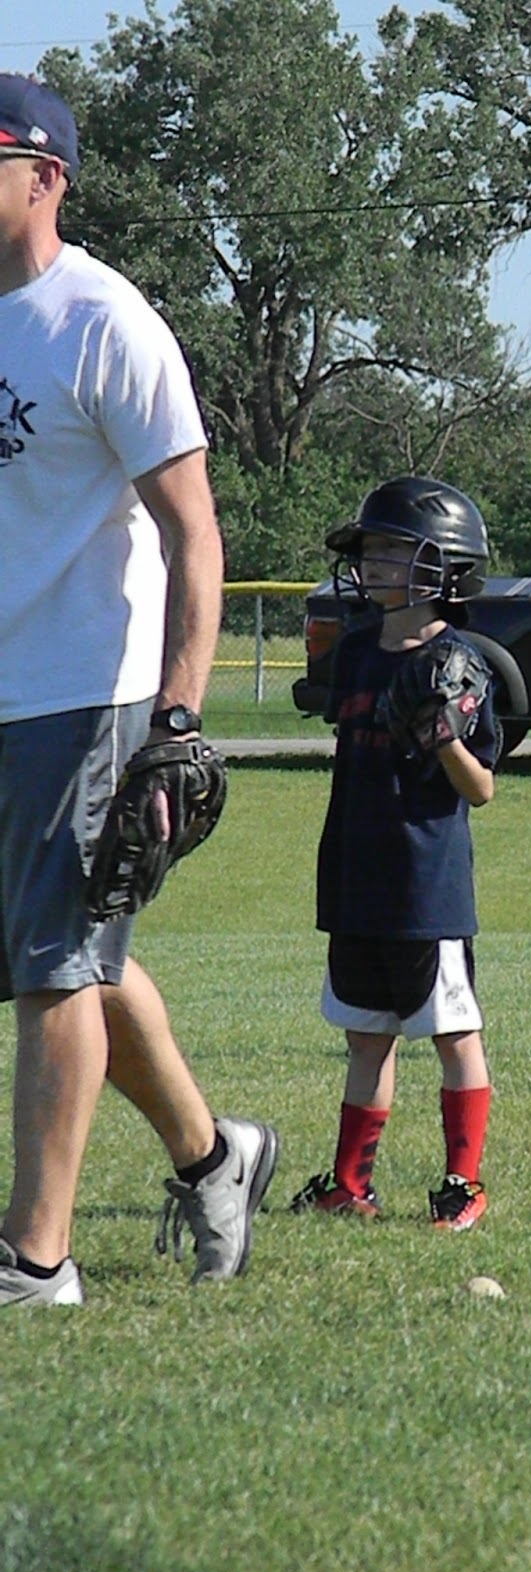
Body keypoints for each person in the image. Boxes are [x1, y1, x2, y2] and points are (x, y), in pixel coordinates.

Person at [0, 75, 278, 1308]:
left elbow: (193, 531)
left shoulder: (103, 320)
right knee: (79, 958)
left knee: (56, 968)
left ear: (45, 176)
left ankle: (35, 1259)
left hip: (82, 694)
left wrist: (177, 715)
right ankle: (218, 1158)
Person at [290, 475, 497, 1231]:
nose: (372, 563)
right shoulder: (354, 653)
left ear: (442, 564)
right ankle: (352, 1184)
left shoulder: (460, 660)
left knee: (452, 1033)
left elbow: (481, 789)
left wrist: (442, 737)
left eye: (390, 550)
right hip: (356, 872)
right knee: (366, 1034)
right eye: (369, 551)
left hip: (424, 884)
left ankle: (463, 1182)